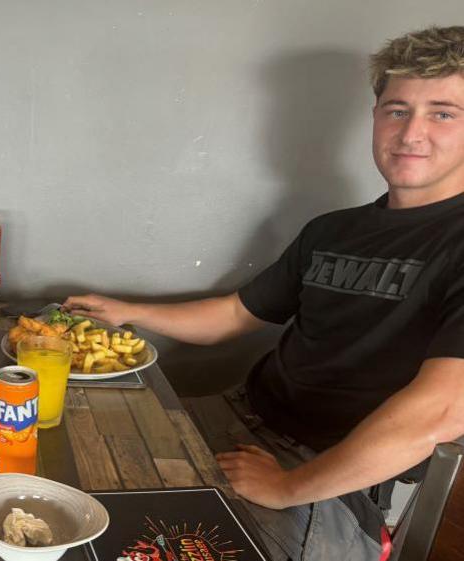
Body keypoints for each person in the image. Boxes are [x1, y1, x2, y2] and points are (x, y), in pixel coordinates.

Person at [66, 25, 464, 559]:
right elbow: (235, 315)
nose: (412, 133)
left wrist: (288, 487)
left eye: (443, 112)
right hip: (240, 416)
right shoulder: (333, 229)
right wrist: (124, 311)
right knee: (71, 467)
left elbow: (442, 411)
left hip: (335, 478)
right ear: (374, 117)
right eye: (397, 109)